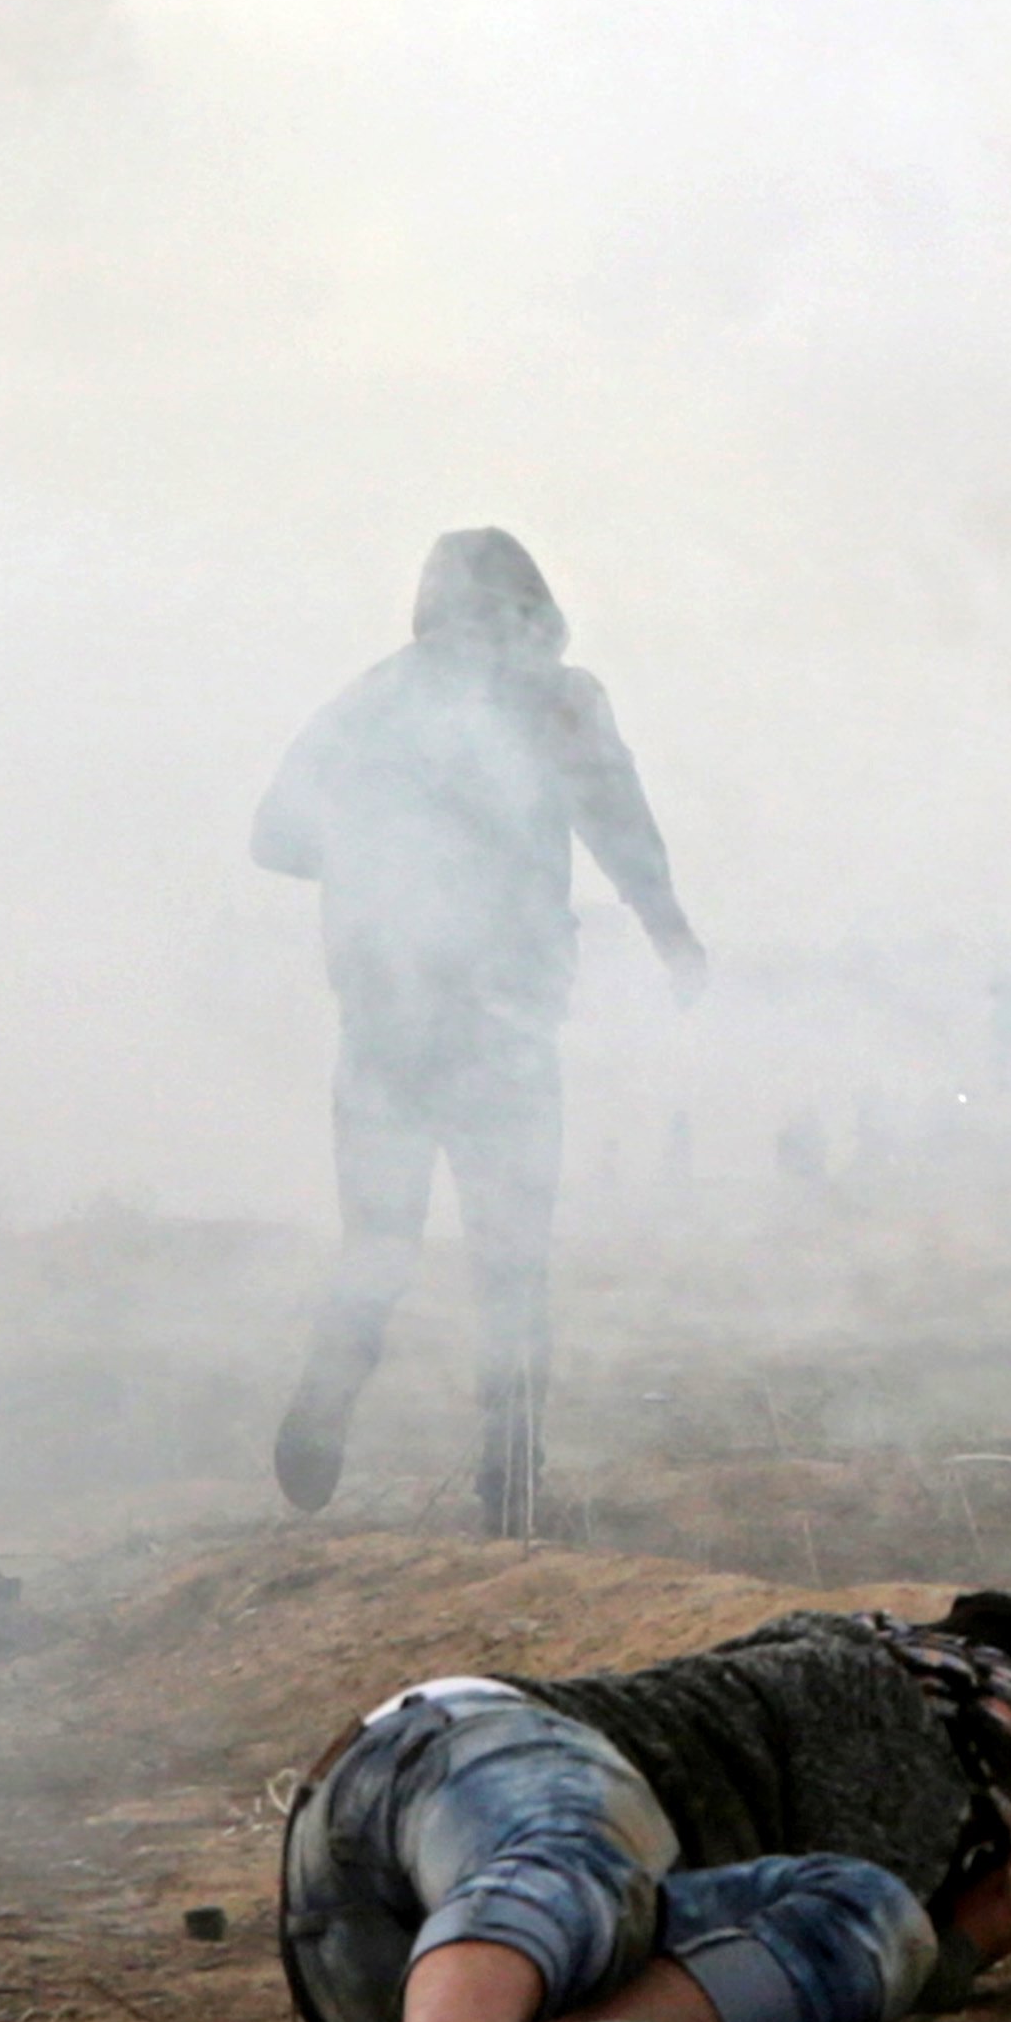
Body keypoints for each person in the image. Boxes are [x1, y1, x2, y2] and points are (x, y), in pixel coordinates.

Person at [271, 1590, 1011, 2022]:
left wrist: (941, 1943)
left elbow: (846, 1944)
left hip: (382, 1982)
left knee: (865, 1908)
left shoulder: (847, 1711)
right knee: (575, 1852)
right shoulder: (878, 1690)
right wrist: (959, 1942)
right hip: (440, 1765)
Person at [250, 529, 705, 1532]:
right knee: (513, 1257)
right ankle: (513, 1477)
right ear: (533, 608)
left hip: (384, 1022)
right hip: (500, 1020)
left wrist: (383, 863)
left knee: (380, 1239)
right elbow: (618, 821)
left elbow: (275, 835)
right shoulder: (556, 695)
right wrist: (667, 928)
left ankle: (336, 1378)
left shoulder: (374, 697)